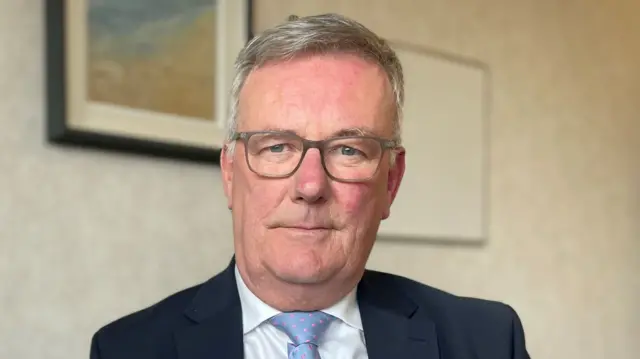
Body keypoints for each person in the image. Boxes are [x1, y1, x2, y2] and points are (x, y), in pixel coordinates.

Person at [89, 13, 530, 359]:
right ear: (229, 173)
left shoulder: (487, 341)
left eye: (348, 150)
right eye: (277, 147)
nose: (311, 185)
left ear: (391, 182)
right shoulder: (128, 349)